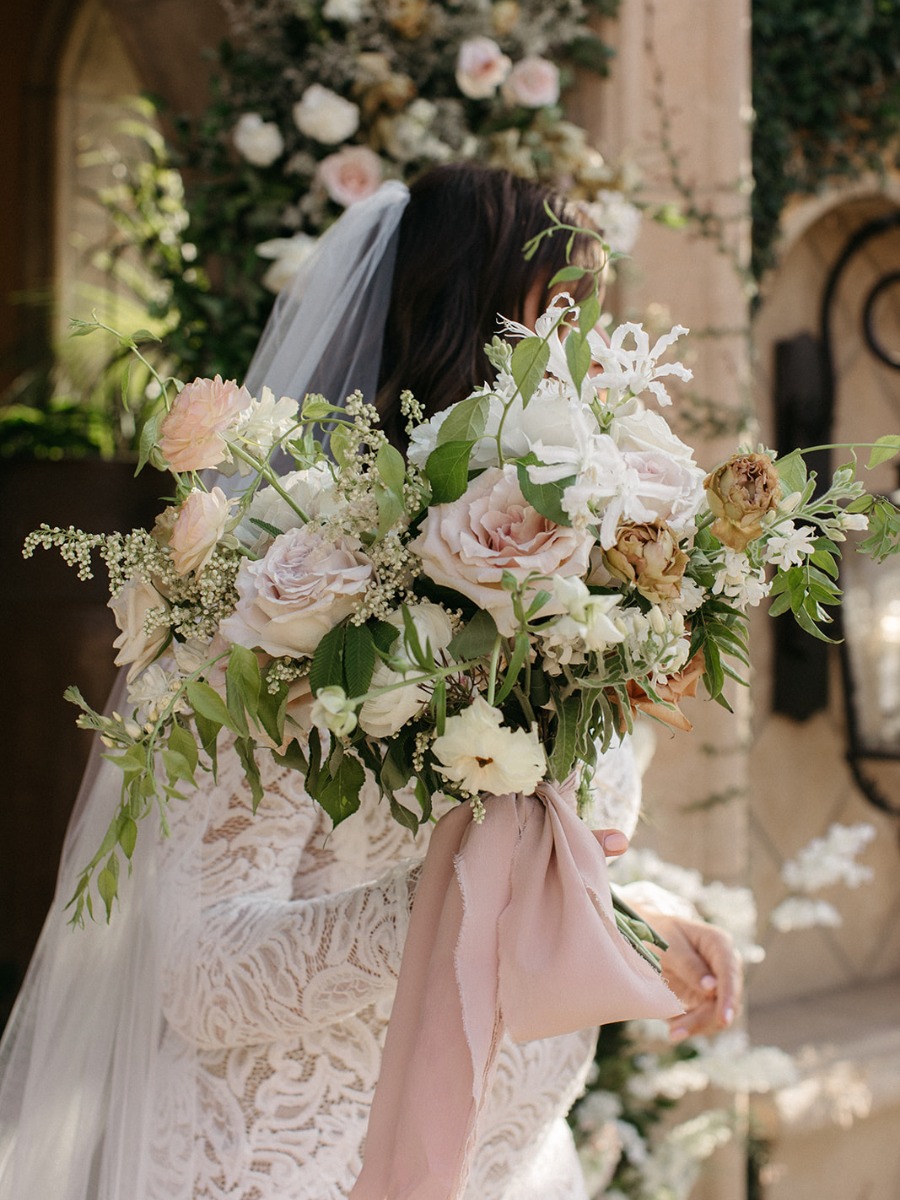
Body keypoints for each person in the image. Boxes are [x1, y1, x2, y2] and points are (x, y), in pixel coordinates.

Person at [0, 163, 741, 1200]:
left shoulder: (603, 587)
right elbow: (204, 977)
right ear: (461, 329)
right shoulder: (284, 597)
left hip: (507, 1166)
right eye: (553, 322)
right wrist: (458, 901)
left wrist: (639, 920)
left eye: (588, 323)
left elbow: (550, 869)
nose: (587, 366)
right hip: (285, 1163)